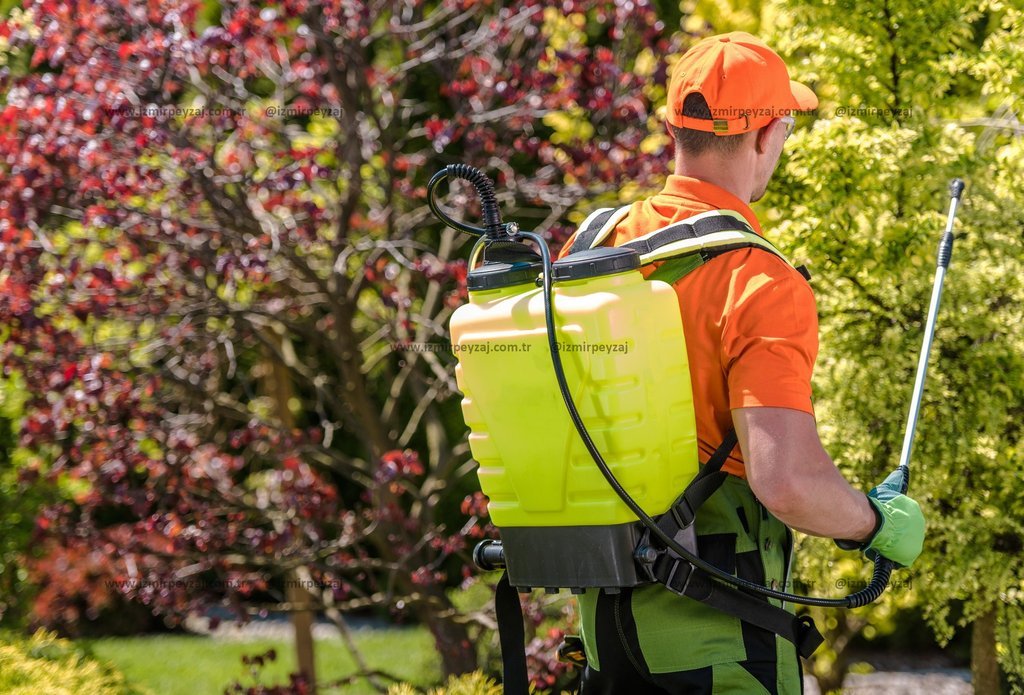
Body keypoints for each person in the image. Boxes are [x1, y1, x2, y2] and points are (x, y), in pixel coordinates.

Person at [556, 32, 927, 694]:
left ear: (673, 128)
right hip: (719, 628)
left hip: (605, 624)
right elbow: (785, 481)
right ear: (765, 136)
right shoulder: (757, 280)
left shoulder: (593, 246)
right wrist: (874, 523)